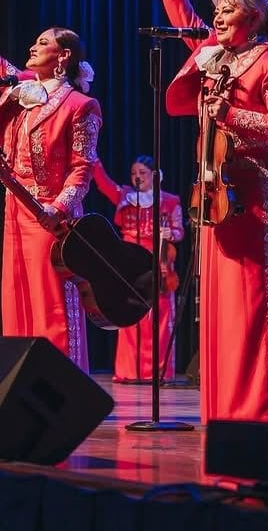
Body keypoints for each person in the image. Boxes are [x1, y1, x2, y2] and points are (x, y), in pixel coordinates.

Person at [156, 0, 268, 424]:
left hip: (259, 197)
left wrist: (232, 116)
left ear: (257, 18)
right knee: (223, 301)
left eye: (230, 7)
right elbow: (183, 18)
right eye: (217, 8)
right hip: (216, 193)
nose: (219, 15)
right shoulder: (213, 56)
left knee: (258, 298)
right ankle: (226, 405)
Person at [0, 0, 100, 371]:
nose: (32, 48)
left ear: (64, 56)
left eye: (43, 43)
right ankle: (21, 377)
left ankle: (64, 378)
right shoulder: (22, 88)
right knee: (16, 292)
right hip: (15, 209)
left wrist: (58, 208)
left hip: (51, 215)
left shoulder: (80, 104)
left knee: (51, 296)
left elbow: (83, 168)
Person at [92, 155, 184, 382]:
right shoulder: (126, 197)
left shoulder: (169, 201)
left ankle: (158, 372)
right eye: (134, 173)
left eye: (142, 173)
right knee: (129, 316)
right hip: (130, 262)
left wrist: (168, 234)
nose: (137, 177)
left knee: (160, 319)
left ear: (155, 176)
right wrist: (92, 160)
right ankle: (129, 372)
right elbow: (103, 183)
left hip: (158, 262)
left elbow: (179, 231)